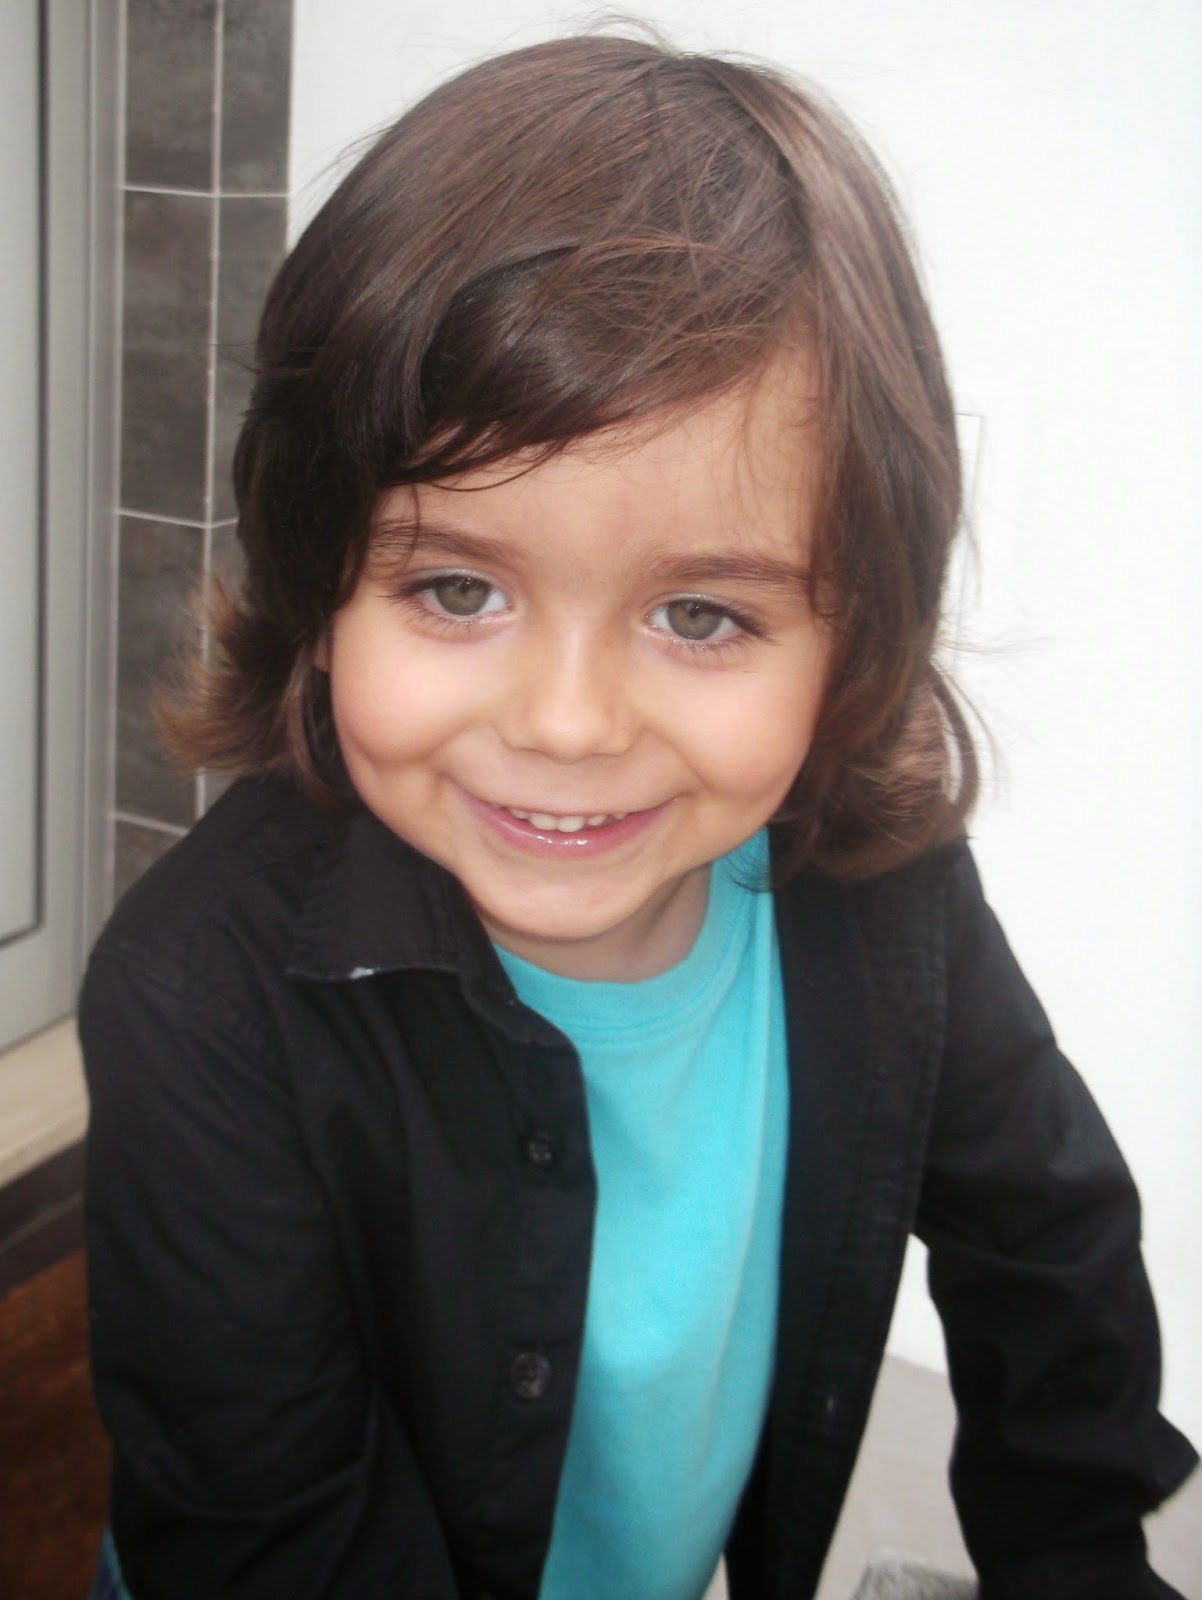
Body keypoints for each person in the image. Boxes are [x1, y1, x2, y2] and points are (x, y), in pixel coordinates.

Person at [81, 33, 1196, 1600]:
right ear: (319, 593)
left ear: (850, 646)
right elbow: (273, 1530)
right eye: (454, 589)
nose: (566, 723)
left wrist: (1075, 1557)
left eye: (699, 615)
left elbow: (1046, 1235)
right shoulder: (199, 994)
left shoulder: (878, 890)